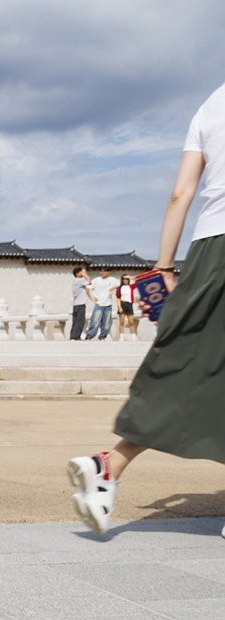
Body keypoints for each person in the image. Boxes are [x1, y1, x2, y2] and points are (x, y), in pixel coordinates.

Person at [68, 81, 225, 538]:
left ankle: (109, 463)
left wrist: (163, 267)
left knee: (189, 366)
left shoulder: (210, 106)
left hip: (208, 251)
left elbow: (181, 193)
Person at [86, 268, 119, 340]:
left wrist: (113, 288)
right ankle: (89, 336)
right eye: (101, 271)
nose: (102, 272)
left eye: (104, 271)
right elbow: (88, 288)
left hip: (108, 304)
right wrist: (91, 298)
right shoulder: (96, 280)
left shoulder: (113, 280)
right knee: (95, 321)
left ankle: (102, 337)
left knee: (107, 323)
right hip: (99, 304)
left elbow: (119, 285)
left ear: (108, 272)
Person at [69, 267, 90, 340]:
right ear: (77, 273)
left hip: (76, 305)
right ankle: (76, 337)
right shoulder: (80, 280)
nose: (83, 273)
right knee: (80, 321)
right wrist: (85, 274)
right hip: (80, 305)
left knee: (75, 322)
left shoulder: (75, 281)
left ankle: (72, 336)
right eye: (81, 272)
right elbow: (89, 281)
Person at [117, 274, 138, 340]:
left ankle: (133, 335)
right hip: (122, 304)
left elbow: (138, 280)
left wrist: (130, 277)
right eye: (124, 279)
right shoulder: (119, 288)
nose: (125, 280)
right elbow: (118, 298)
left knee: (131, 321)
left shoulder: (131, 286)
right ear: (122, 280)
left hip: (129, 305)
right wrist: (119, 307)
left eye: (126, 279)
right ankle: (121, 336)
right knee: (122, 322)